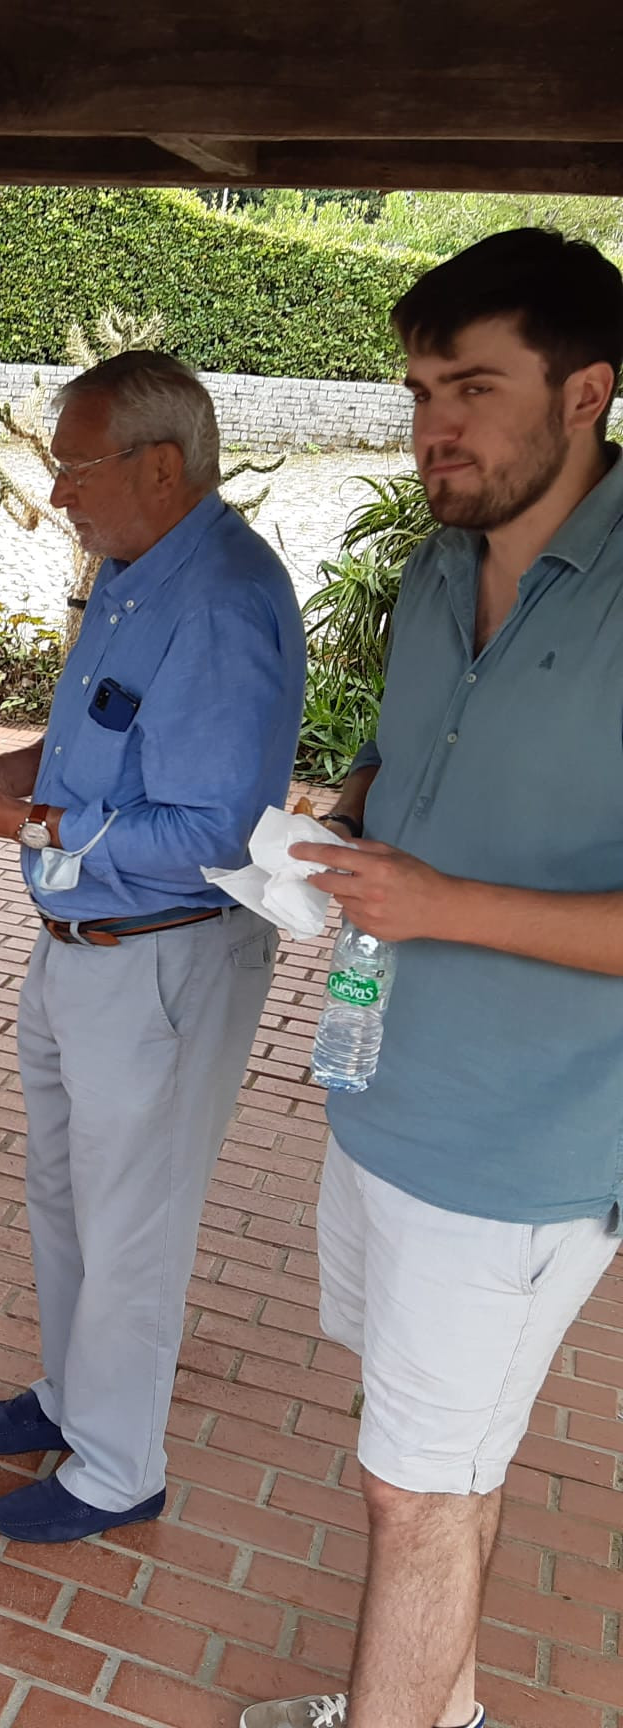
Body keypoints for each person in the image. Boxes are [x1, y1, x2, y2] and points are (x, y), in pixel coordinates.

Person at [246, 229, 623, 1728]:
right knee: (442, 1469)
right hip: (379, 1092)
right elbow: (419, 756)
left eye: (473, 386)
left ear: (590, 388)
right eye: (417, 390)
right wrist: (347, 807)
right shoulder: (429, 574)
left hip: (521, 1152)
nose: (434, 428)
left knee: (412, 1493)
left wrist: (437, 898)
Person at [0, 351, 306, 1544]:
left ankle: (120, 1467)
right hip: (82, 942)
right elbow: (92, 746)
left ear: (161, 464)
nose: (60, 492)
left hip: (165, 957)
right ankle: (72, 1398)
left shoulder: (226, 600)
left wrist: (18, 819)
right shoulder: (133, 573)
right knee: (69, 1195)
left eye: (75, 467)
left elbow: (209, 832)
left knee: (135, 1221)